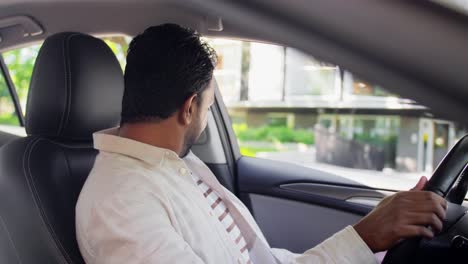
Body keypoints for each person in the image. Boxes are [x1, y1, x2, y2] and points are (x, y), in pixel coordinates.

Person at [76, 24, 447, 264]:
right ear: (190, 108)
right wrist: (364, 236)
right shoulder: (119, 203)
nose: (206, 118)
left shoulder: (174, 166)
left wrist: (372, 237)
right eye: (208, 105)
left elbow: (257, 260)